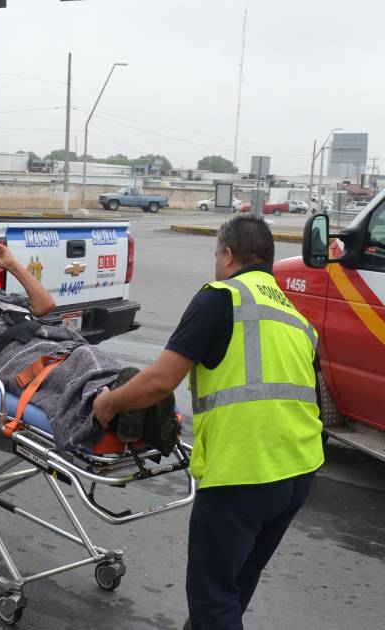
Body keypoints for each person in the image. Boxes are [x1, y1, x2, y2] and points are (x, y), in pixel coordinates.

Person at [93, 214, 324, 630]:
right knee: (232, 588)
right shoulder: (295, 316)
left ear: (228, 254)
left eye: (216, 255)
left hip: (244, 472)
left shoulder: (220, 298)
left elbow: (159, 382)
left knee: (213, 597)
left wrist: (109, 403)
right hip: (299, 472)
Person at [0, 246, 176, 452]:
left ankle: (127, 404)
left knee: (87, 354)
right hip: (13, 358)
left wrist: (11, 264)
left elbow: (44, 305)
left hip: (49, 341)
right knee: (73, 369)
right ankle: (128, 409)